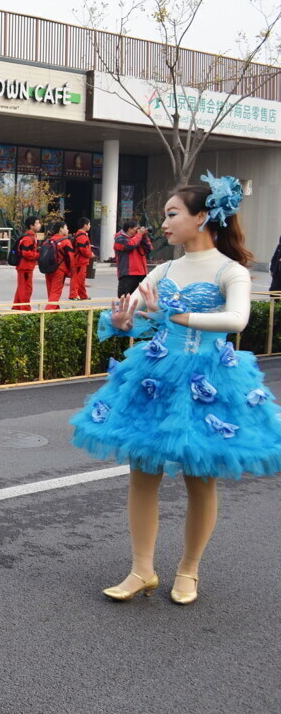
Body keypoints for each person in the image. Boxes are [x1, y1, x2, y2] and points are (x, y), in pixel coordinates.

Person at [71, 174, 281, 606]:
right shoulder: (164, 268)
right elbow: (148, 321)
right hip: (156, 374)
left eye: (172, 214)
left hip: (208, 378)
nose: (163, 223)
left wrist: (178, 318)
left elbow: (237, 320)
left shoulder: (230, 270)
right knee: (142, 473)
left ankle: (189, 570)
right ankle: (141, 570)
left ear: (202, 217)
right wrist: (128, 323)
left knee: (200, 477)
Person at [114, 219, 152, 298]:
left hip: (141, 273)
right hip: (127, 273)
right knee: (124, 298)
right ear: (129, 229)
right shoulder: (119, 239)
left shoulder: (138, 238)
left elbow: (149, 249)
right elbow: (129, 246)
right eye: (136, 229)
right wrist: (139, 235)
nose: (138, 231)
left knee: (141, 298)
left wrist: (143, 236)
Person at [42, 219, 73, 311]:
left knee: (51, 292)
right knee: (55, 293)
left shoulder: (47, 241)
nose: (68, 230)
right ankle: (45, 315)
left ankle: (55, 312)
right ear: (61, 229)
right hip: (59, 270)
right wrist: (71, 272)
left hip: (48, 269)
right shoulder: (66, 242)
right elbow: (71, 259)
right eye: (66, 228)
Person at [12, 215, 42, 311]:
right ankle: (25, 308)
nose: (39, 225)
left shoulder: (31, 237)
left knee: (21, 287)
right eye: (37, 223)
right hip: (25, 267)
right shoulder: (28, 238)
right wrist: (38, 255)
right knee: (26, 288)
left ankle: (17, 306)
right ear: (31, 226)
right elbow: (26, 253)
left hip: (24, 266)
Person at [69, 218, 93, 301]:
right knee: (77, 278)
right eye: (89, 224)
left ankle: (83, 295)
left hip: (81, 261)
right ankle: (73, 295)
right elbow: (83, 249)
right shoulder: (82, 236)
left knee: (81, 279)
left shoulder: (81, 235)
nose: (90, 226)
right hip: (80, 261)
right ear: (85, 225)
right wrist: (90, 254)